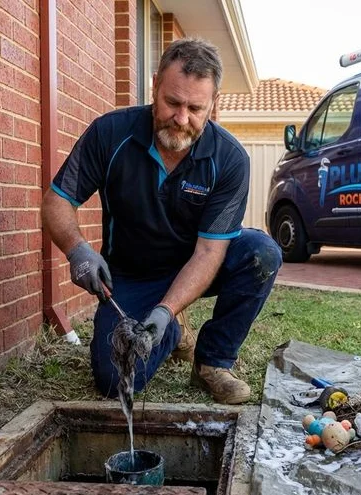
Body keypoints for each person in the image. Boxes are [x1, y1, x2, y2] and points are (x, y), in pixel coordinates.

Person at [41, 37, 282, 405]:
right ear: (154, 86)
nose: (182, 118)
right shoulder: (110, 134)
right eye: (172, 102)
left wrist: (165, 309)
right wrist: (78, 251)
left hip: (197, 263)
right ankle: (174, 333)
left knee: (261, 253)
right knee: (113, 382)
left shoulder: (230, 159)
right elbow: (56, 202)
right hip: (133, 273)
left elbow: (207, 253)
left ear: (212, 104)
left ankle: (212, 361)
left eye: (195, 108)